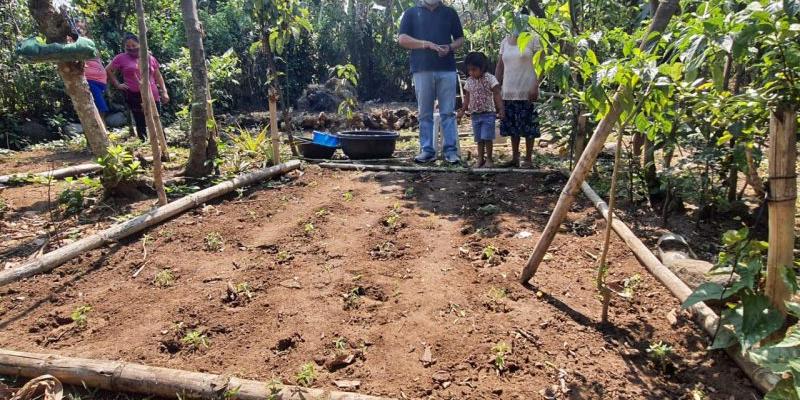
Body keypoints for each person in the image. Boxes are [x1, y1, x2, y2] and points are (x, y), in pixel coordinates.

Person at [398, 0, 464, 164]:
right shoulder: (411, 13)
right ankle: (427, 151)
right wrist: (425, 44)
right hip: (422, 69)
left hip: (447, 68)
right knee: (425, 113)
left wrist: (449, 47)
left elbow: (460, 39)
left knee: (448, 113)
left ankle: (451, 152)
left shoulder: (449, 12)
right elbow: (402, 39)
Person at [495, 10, 541, 168]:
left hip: (527, 90)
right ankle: (515, 157)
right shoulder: (504, 42)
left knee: (529, 127)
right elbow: (499, 67)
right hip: (508, 91)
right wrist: (496, 88)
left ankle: (528, 159)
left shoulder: (533, 39)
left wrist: (536, 85)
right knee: (513, 126)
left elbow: (540, 64)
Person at [106, 33, 169, 141]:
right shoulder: (121, 58)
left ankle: (163, 144)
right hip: (133, 94)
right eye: (128, 46)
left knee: (156, 118)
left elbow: (158, 75)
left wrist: (164, 91)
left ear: (140, 44)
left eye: (134, 45)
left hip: (152, 94)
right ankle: (143, 142)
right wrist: (117, 84)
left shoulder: (149, 58)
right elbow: (108, 70)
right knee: (140, 120)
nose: (131, 48)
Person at [458, 52, 504, 168]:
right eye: (469, 70)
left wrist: (501, 108)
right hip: (475, 114)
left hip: (488, 113)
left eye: (474, 69)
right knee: (479, 139)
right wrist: (463, 110)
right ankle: (480, 159)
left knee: (487, 138)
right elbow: (467, 97)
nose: (471, 73)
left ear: (482, 67)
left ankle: (489, 159)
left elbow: (497, 94)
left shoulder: (490, 79)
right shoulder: (469, 81)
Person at [76, 21, 109, 117]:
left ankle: (103, 129)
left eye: (81, 28)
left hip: (100, 80)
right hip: (89, 79)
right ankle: (102, 129)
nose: (79, 30)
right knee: (98, 107)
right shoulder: (73, 44)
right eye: (77, 28)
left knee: (97, 106)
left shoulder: (89, 43)